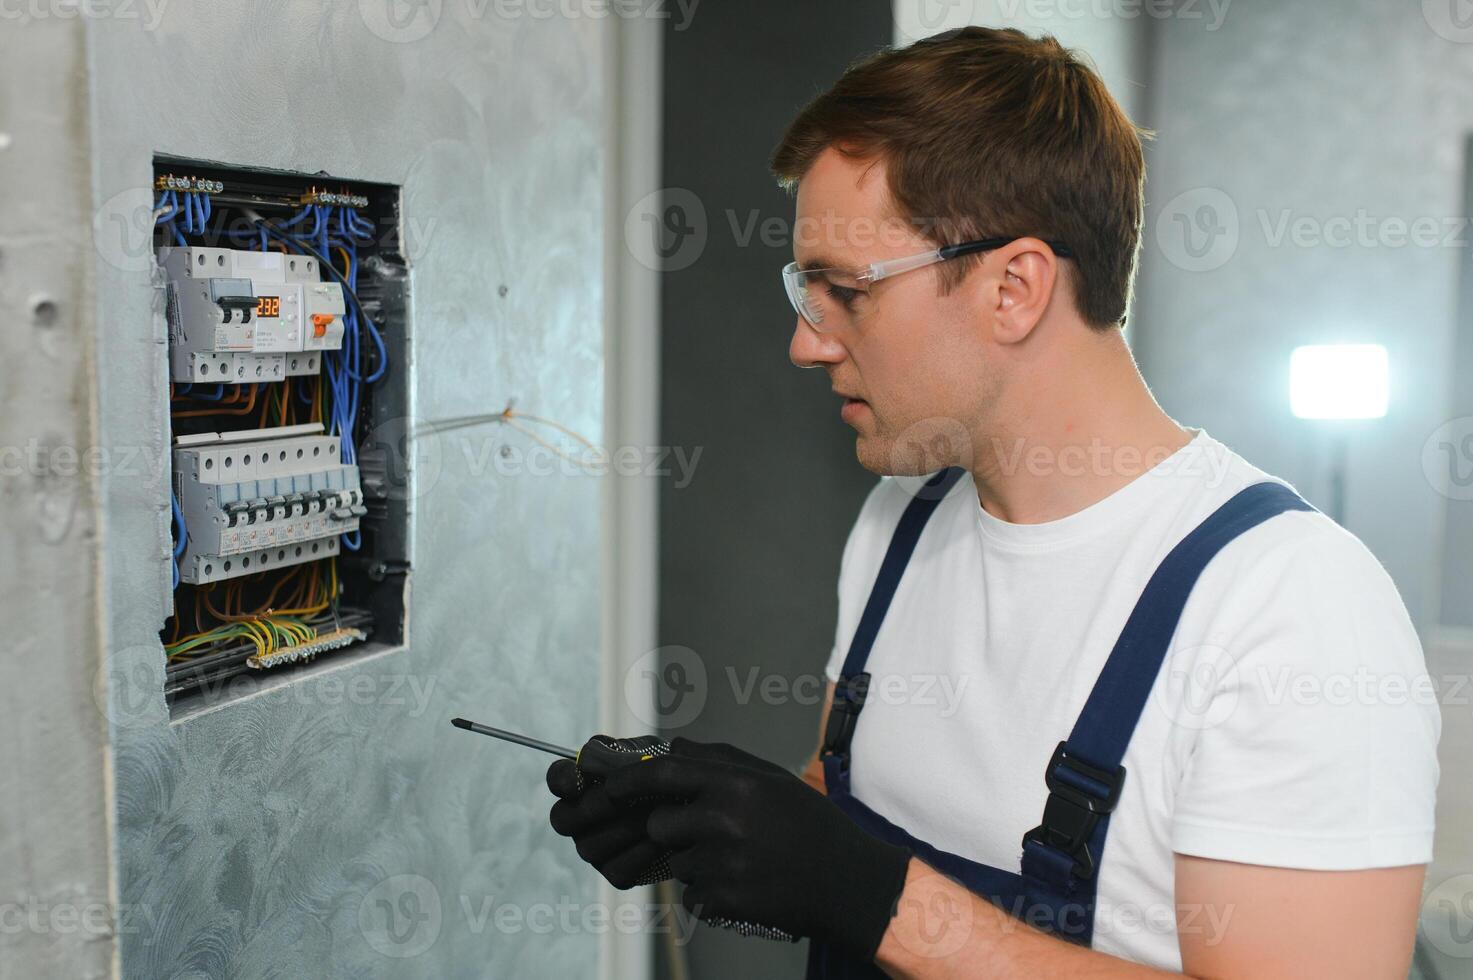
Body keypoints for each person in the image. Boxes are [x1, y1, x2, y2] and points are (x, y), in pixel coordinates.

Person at [547, 26, 1440, 978]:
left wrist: (876, 898)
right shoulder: (901, 523)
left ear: (1013, 287)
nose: (806, 345)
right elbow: (864, 812)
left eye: (844, 291)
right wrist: (730, 830)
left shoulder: (1286, 609)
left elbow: (876, 892)